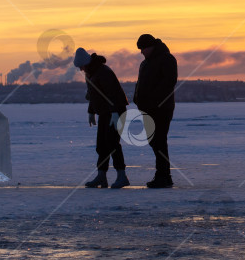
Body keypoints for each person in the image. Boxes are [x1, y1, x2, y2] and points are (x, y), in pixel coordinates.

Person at [73, 48, 130, 189]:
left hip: (116, 111)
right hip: (105, 113)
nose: (80, 69)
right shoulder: (90, 73)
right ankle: (101, 176)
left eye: (81, 66)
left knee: (112, 143)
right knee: (101, 145)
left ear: (86, 63)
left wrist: (116, 112)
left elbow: (113, 94)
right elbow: (93, 94)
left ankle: (122, 176)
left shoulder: (103, 72)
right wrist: (91, 112)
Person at [134, 34, 178, 188]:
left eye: (143, 48)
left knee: (159, 141)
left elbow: (169, 82)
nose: (141, 52)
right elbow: (141, 83)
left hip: (161, 109)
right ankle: (163, 176)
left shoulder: (167, 59)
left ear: (150, 46)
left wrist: (154, 100)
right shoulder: (145, 63)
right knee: (154, 141)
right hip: (147, 108)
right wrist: (137, 98)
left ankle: (164, 176)